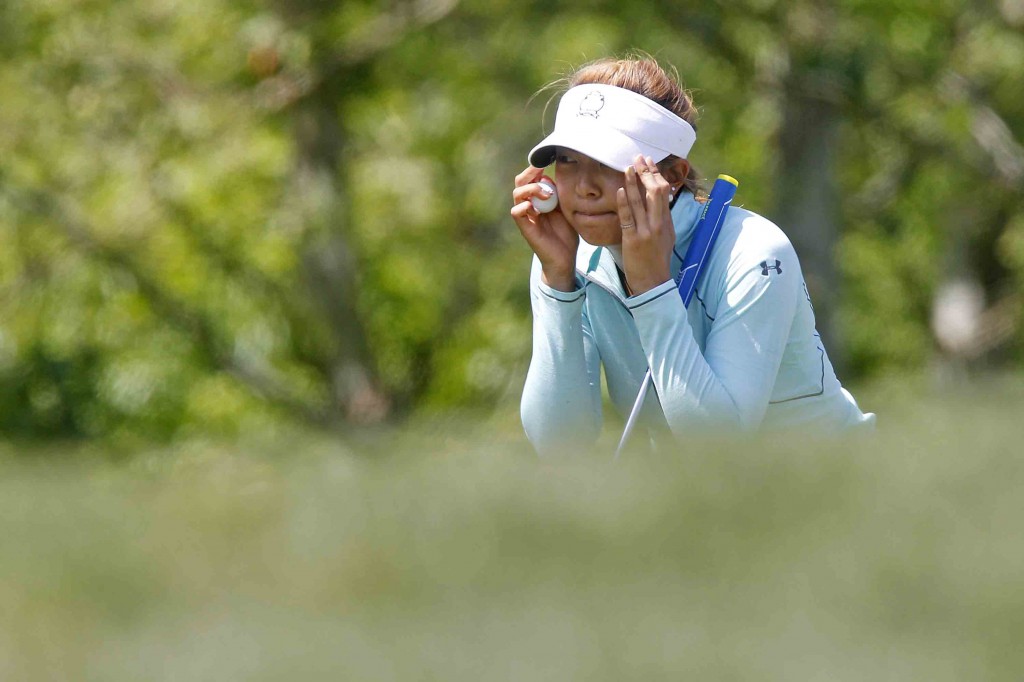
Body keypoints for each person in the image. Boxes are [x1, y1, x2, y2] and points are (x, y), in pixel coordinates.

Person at [510, 55, 875, 457]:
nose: (584, 187)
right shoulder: (570, 259)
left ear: (672, 176)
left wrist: (650, 286)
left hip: (839, 490)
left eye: (610, 162)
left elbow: (717, 447)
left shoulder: (753, 251)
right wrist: (557, 284)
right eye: (567, 159)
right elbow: (559, 444)